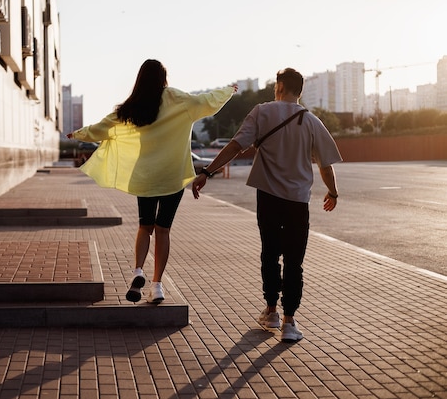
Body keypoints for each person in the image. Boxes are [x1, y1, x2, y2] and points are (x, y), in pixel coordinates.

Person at [191, 68, 342, 342]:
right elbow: (325, 165)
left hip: (268, 198)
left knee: (270, 254)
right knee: (295, 262)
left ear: (280, 87)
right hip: (298, 202)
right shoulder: (311, 121)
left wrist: (207, 172)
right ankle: (289, 322)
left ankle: (271, 311)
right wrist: (333, 193)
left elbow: (236, 146)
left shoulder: (262, 111)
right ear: (300, 91)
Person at [68, 59, 235, 304]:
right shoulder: (176, 99)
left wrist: (79, 134)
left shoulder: (132, 106)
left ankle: (138, 271)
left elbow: (103, 127)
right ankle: (156, 286)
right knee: (163, 230)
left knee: (145, 226)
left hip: (145, 175)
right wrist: (228, 91)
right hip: (172, 175)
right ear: (163, 78)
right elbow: (205, 101)